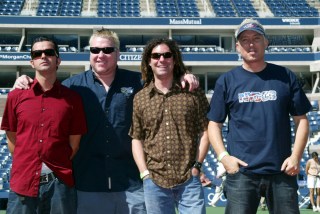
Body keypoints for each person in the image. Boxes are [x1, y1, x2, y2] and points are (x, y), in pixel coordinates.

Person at [13, 29, 200, 214]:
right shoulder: (72, 87)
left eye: (107, 50)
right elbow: (44, 93)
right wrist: (23, 81)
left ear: (117, 53)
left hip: (131, 185)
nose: (100, 55)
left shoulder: (139, 82)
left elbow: (164, 76)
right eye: (95, 50)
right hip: (87, 185)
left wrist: (182, 76)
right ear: (89, 54)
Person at [207, 18, 311, 214]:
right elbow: (214, 124)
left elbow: (302, 120)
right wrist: (224, 157)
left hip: (282, 171)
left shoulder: (285, 76)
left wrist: (296, 156)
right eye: (245, 40)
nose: (251, 44)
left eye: (256, 38)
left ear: (266, 42)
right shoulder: (227, 81)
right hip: (242, 174)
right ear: (237, 46)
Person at [0, 36, 87, 213]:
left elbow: (74, 144)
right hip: (23, 183)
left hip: (59, 184)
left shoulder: (72, 99)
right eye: (37, 53)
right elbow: (12, 139)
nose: (43, 56)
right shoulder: (16, 96)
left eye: (48, 52)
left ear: (58, 60)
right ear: (32, 62)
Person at [129, 38, 209, 214]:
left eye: (167, 55)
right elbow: (137, 138)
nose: (161, 60)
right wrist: (145, 173)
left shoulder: (192, 92)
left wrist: (197, 166)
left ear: (174, 60)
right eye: (156, 56)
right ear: (149, 62)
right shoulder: (140, 98)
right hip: (154, 181)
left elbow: (205, 131)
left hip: (189, 179)